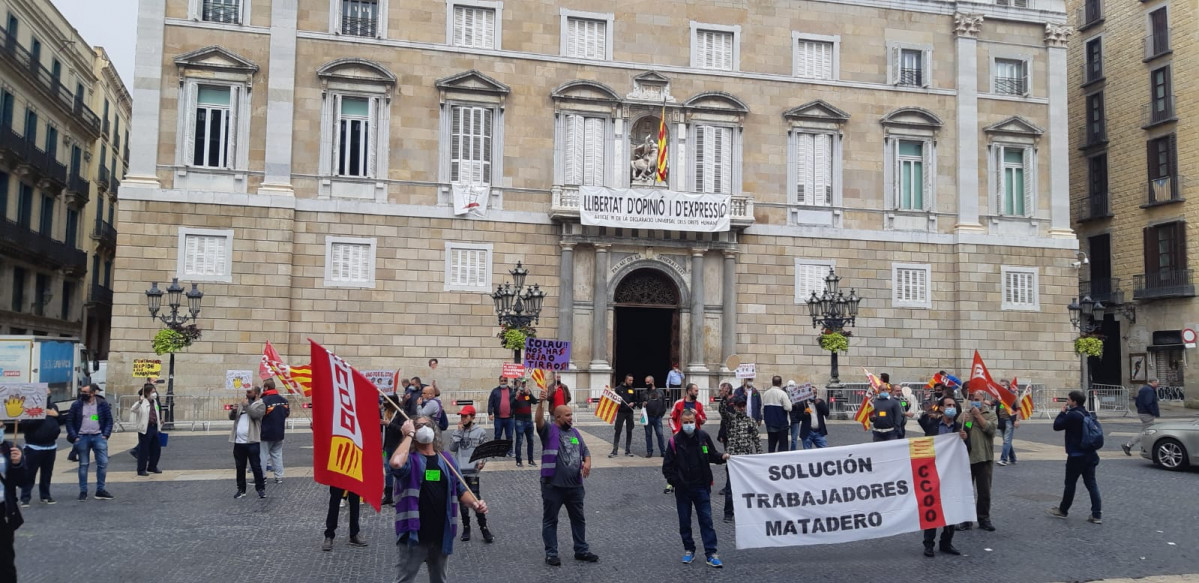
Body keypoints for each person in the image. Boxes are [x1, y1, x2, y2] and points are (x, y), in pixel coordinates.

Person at [389, 416, 488, 582]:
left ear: (434, 430)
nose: (424, 428)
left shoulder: (447, 460)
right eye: (419, 426)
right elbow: (396, 463)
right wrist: (408, 436)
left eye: (428, 425)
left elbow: (460, 490)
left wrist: (474, 504)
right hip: (414, 535)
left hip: (441, 535)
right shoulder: (410, 460)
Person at [535, 390, 598, 566]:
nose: (571, 417)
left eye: (571, 414)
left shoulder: (575, 433)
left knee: (578, 519)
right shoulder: (548, 431)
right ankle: (551, 553)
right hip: (553, 486)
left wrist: (587, 462)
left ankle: (581, 550)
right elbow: (538, 421)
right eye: (568, 415)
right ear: (558, 417)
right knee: (550, 520)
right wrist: (540, 404)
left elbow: (585, 450)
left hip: (575, 487)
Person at [663, 409, 728, 568]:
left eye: (691, 421)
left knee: (706, 520)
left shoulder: (703, 437)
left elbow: (712, 454)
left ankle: (711, 553)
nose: (689, 425)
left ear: (695, 421)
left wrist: (722, 457)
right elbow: (667, 467)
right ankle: (689, 550)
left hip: (701, 486)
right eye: (685, 422)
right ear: (680, 423)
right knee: (684, 522)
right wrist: (676, 481)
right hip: (683, 489)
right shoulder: (674, 441)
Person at [917, 395, 966, 557]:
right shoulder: (932, 424)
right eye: (948, 405)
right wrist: (932, 410)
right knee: (932, 508)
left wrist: (965, 440)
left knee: (951, 509)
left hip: (952, 474)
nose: (951, 407)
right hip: (933, 473)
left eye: (954, 405)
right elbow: (921, 418)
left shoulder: (961, 427)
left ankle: (946, 543)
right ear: (942, 408)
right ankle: (928, 544)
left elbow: (968, 450)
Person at [1048, 391, 1102, 524]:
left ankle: (1063, 510)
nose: (1067, 402)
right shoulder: (1087, 413)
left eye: (1068, 400)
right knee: (1091, 484)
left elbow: (1057, 426)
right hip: (1090, 454)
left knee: (1070, 484)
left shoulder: (1072, 415)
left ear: (1074, 402)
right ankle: (1097, 514)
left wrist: (1062, 412)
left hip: (1076, 455)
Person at [450, 405, 493, 543]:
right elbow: (452, 448)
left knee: (476, 499)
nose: (462, 419)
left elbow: (485, 449)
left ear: (472, 417)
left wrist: (483, 461)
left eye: (465, 416)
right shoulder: (458, 432)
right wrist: (458, 433)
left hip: (473, 471)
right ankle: (466, 527)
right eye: (461, 416)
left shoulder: (480, 432)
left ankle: (484, 528)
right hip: (460, 471)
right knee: (463, 502)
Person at [66, 383, 114, 501]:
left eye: (85, 392)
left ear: (92, 393)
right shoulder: (77, 405)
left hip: (98, 436)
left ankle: (100, 489)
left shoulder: (102, 404)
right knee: (83, 464)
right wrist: (74, 437)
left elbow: (109, 420)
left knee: (103, 463)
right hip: (82, 437)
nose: (83, 394)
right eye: (82, 392)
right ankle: (83, 491)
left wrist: (106, 435)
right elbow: (69, 421)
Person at [18, 384, 63, 505]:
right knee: (30, 473)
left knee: (47, 473)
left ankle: (45, 495)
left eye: (49, 394)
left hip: (50, 446)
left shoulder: (53, 407)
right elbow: (27, 425)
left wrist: (57, 415)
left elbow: (60, 420)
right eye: (46, 394)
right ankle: (25, 497)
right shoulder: (29, 407)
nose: (48, 397)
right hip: (34, 447)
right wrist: (41, 413)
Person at [960, 389, 997, 531]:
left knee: (984, 491)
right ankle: (966, 519)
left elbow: (990, 429)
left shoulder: (991, 414)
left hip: (984, 457)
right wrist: (962, 431)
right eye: (973, 399)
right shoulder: (966, 415)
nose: (975, 401)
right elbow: (960, 430)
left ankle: (984, 518)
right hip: (968, 457)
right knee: (966, 491)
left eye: (977, 398)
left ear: (983, 399)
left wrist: (977, 416)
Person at [721, 395, 760, 522]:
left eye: (743, 406)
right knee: (730, 488)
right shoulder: (731, 420)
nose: (742, 408)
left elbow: (757, 440)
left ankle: (747, 511)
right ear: (735, 406)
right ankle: (728, 513)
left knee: (748, 487)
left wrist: (760, 455)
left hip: (746, 459)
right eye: (739, 406)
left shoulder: (751, 421)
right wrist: (725, 399)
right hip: (733, 458)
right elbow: (722, 411)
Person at [228, 385, 266, 499]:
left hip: (252, 441)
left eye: (249, 392)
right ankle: (241, 489)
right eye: (246, 392)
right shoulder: (241, 404)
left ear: (256, 394)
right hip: (239, 442)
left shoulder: (261, 405)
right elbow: (231, 417)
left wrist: (246, 406)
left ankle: (260, 489)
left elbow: (255, 415)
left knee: (256, 466)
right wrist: (234, 411)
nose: (247, 394)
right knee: (240, 467)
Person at [1, 423, 26, 581]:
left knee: (5, 561)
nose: (1, 430)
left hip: (3, 511)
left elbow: (22, 481)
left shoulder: (10, 449)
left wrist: (18, 464)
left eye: (2, 426)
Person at [258, 379, 290, 483]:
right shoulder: (284, 400)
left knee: (262, 455)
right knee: (277, 455)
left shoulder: (264, 401)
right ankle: (279, 477)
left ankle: (262, 477)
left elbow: (259, 415)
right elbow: (287, 414)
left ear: (266, 388)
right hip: (279, 432)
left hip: (266, 432)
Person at [130, 383, 163, 477]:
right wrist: (139, 402)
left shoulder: (155, 401)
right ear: (148, 393)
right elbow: (133, 409)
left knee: (156, 448)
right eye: (153, 392)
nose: (154, 393)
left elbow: (156, 411)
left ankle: (152, 466)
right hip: (145, 428)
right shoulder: (142, 402)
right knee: (144, 450)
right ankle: (141, 469)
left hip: (154, 427)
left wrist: (159, 420)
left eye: (155, 391)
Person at [322, 485, 368, 551]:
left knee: (355, 501)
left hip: (354, 475)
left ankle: (354, 533)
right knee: (334, 501)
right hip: (338, 476)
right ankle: (329, 534)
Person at [1123, 378, 1161, 456]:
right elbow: (1148, 403)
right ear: (1153, 382)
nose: (1158, 385)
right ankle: (1128, 445)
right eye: (1157, 383)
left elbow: (1137, 401)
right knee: (1146, 433)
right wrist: (1153, 412)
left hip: (1142, 412)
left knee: (1146, 432)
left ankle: (1143, 448)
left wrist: (1140, 408)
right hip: (1147, 414)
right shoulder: (1150, 390)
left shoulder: (1143, 389)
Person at [609, 374, 638, 458]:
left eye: (632, 380)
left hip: (629, 413)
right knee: (618, 430)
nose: (631, 382)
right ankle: (615, 450)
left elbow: (636, 400)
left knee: (629, 430)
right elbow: (614, 401)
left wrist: (634, 403)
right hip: (621, 412)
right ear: (626, 380)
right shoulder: (618, 389)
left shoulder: (632, 389)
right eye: (630, 380)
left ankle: (628, 450)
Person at [762, 376, 793, 452]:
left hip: (769, 423)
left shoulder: (766, 393)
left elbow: (762, 408)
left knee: (771, 446)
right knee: (783, 447)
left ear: (772, 382)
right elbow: (789, 408)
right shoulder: (782, 393)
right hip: (781, 424)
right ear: (781, 383)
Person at [487, 376, 515, 458]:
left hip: (509, 418)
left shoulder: (511, 391)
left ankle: (510, 451)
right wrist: (490, 413)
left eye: (505, 380)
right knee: (497, 435)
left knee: (509, 436)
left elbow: (515, 402)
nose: (503, 382)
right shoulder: (495, 391)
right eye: (502, 381)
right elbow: (490, 403)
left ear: (507, 381)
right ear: (499, 381)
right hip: (498, 418)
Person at [643, 379, 669, 457]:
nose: (646, 383)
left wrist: (661, 414)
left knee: (660, 434)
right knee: (648, 435)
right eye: (646, 382)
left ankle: (663, 451)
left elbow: (664, 404)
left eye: (648, 382)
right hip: (648, 417)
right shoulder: (644, 393)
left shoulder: (660, 392)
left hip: (658, 417)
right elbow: (639, 403)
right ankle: (649, 451)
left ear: (652, 382)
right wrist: (643, 404)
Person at [997, 384, 1019, 466]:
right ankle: (1013, 458)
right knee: (1007, 441)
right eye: (1001, 385)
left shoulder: (1013, 395)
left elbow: (1019, 408)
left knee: (1006, 440)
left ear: (1008, 386)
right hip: (1002, 420)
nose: (1002, 386)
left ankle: (1003, 459)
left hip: (1009, 420)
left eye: (1004, 385)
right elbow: (993, 403)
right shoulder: (999, 396)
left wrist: (1017, 420)